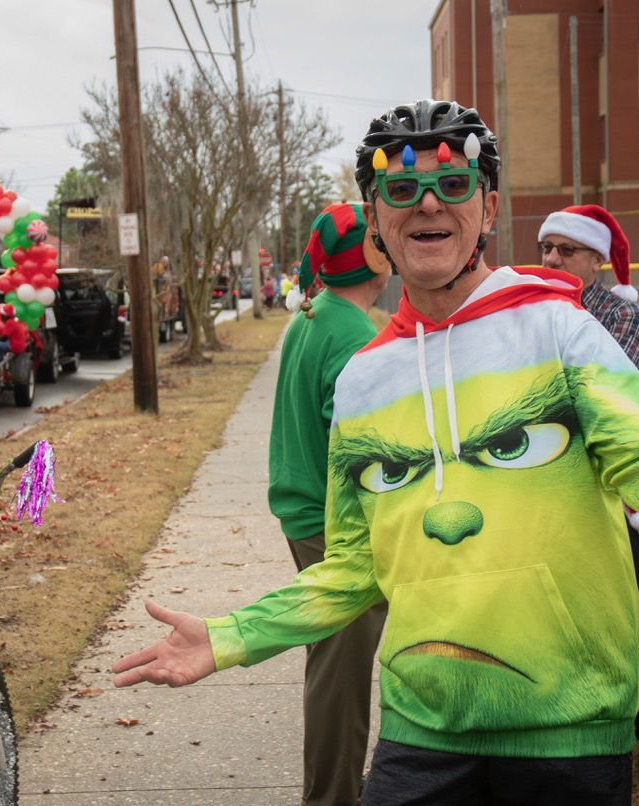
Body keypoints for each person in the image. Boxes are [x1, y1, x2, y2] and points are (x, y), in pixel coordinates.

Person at [112, 100, 639, 805]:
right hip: (420, 733)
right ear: (376, 221)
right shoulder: (364, 380)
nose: (427, 202)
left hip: (570, 729)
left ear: (488, 210)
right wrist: (231, 636)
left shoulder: (559, 330)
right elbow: (352, 568)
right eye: (400, 191)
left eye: (452, 184)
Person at [538, 204, 639, 771]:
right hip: (544, 493)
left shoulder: (619, 318)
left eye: (566, 250)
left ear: (597, 259)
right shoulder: (532, 307)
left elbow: (591, 395)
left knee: (635, 609)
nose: (553, 259)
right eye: (546, 248)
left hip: (605, 492)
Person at [271, 203, 392, 806]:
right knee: (341, 676)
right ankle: (333, 798)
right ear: (375, 256)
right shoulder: (356, 336)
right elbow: (361, 450)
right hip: (338, 527)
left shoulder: (314, 316)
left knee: (335, 660)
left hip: (305, 515)